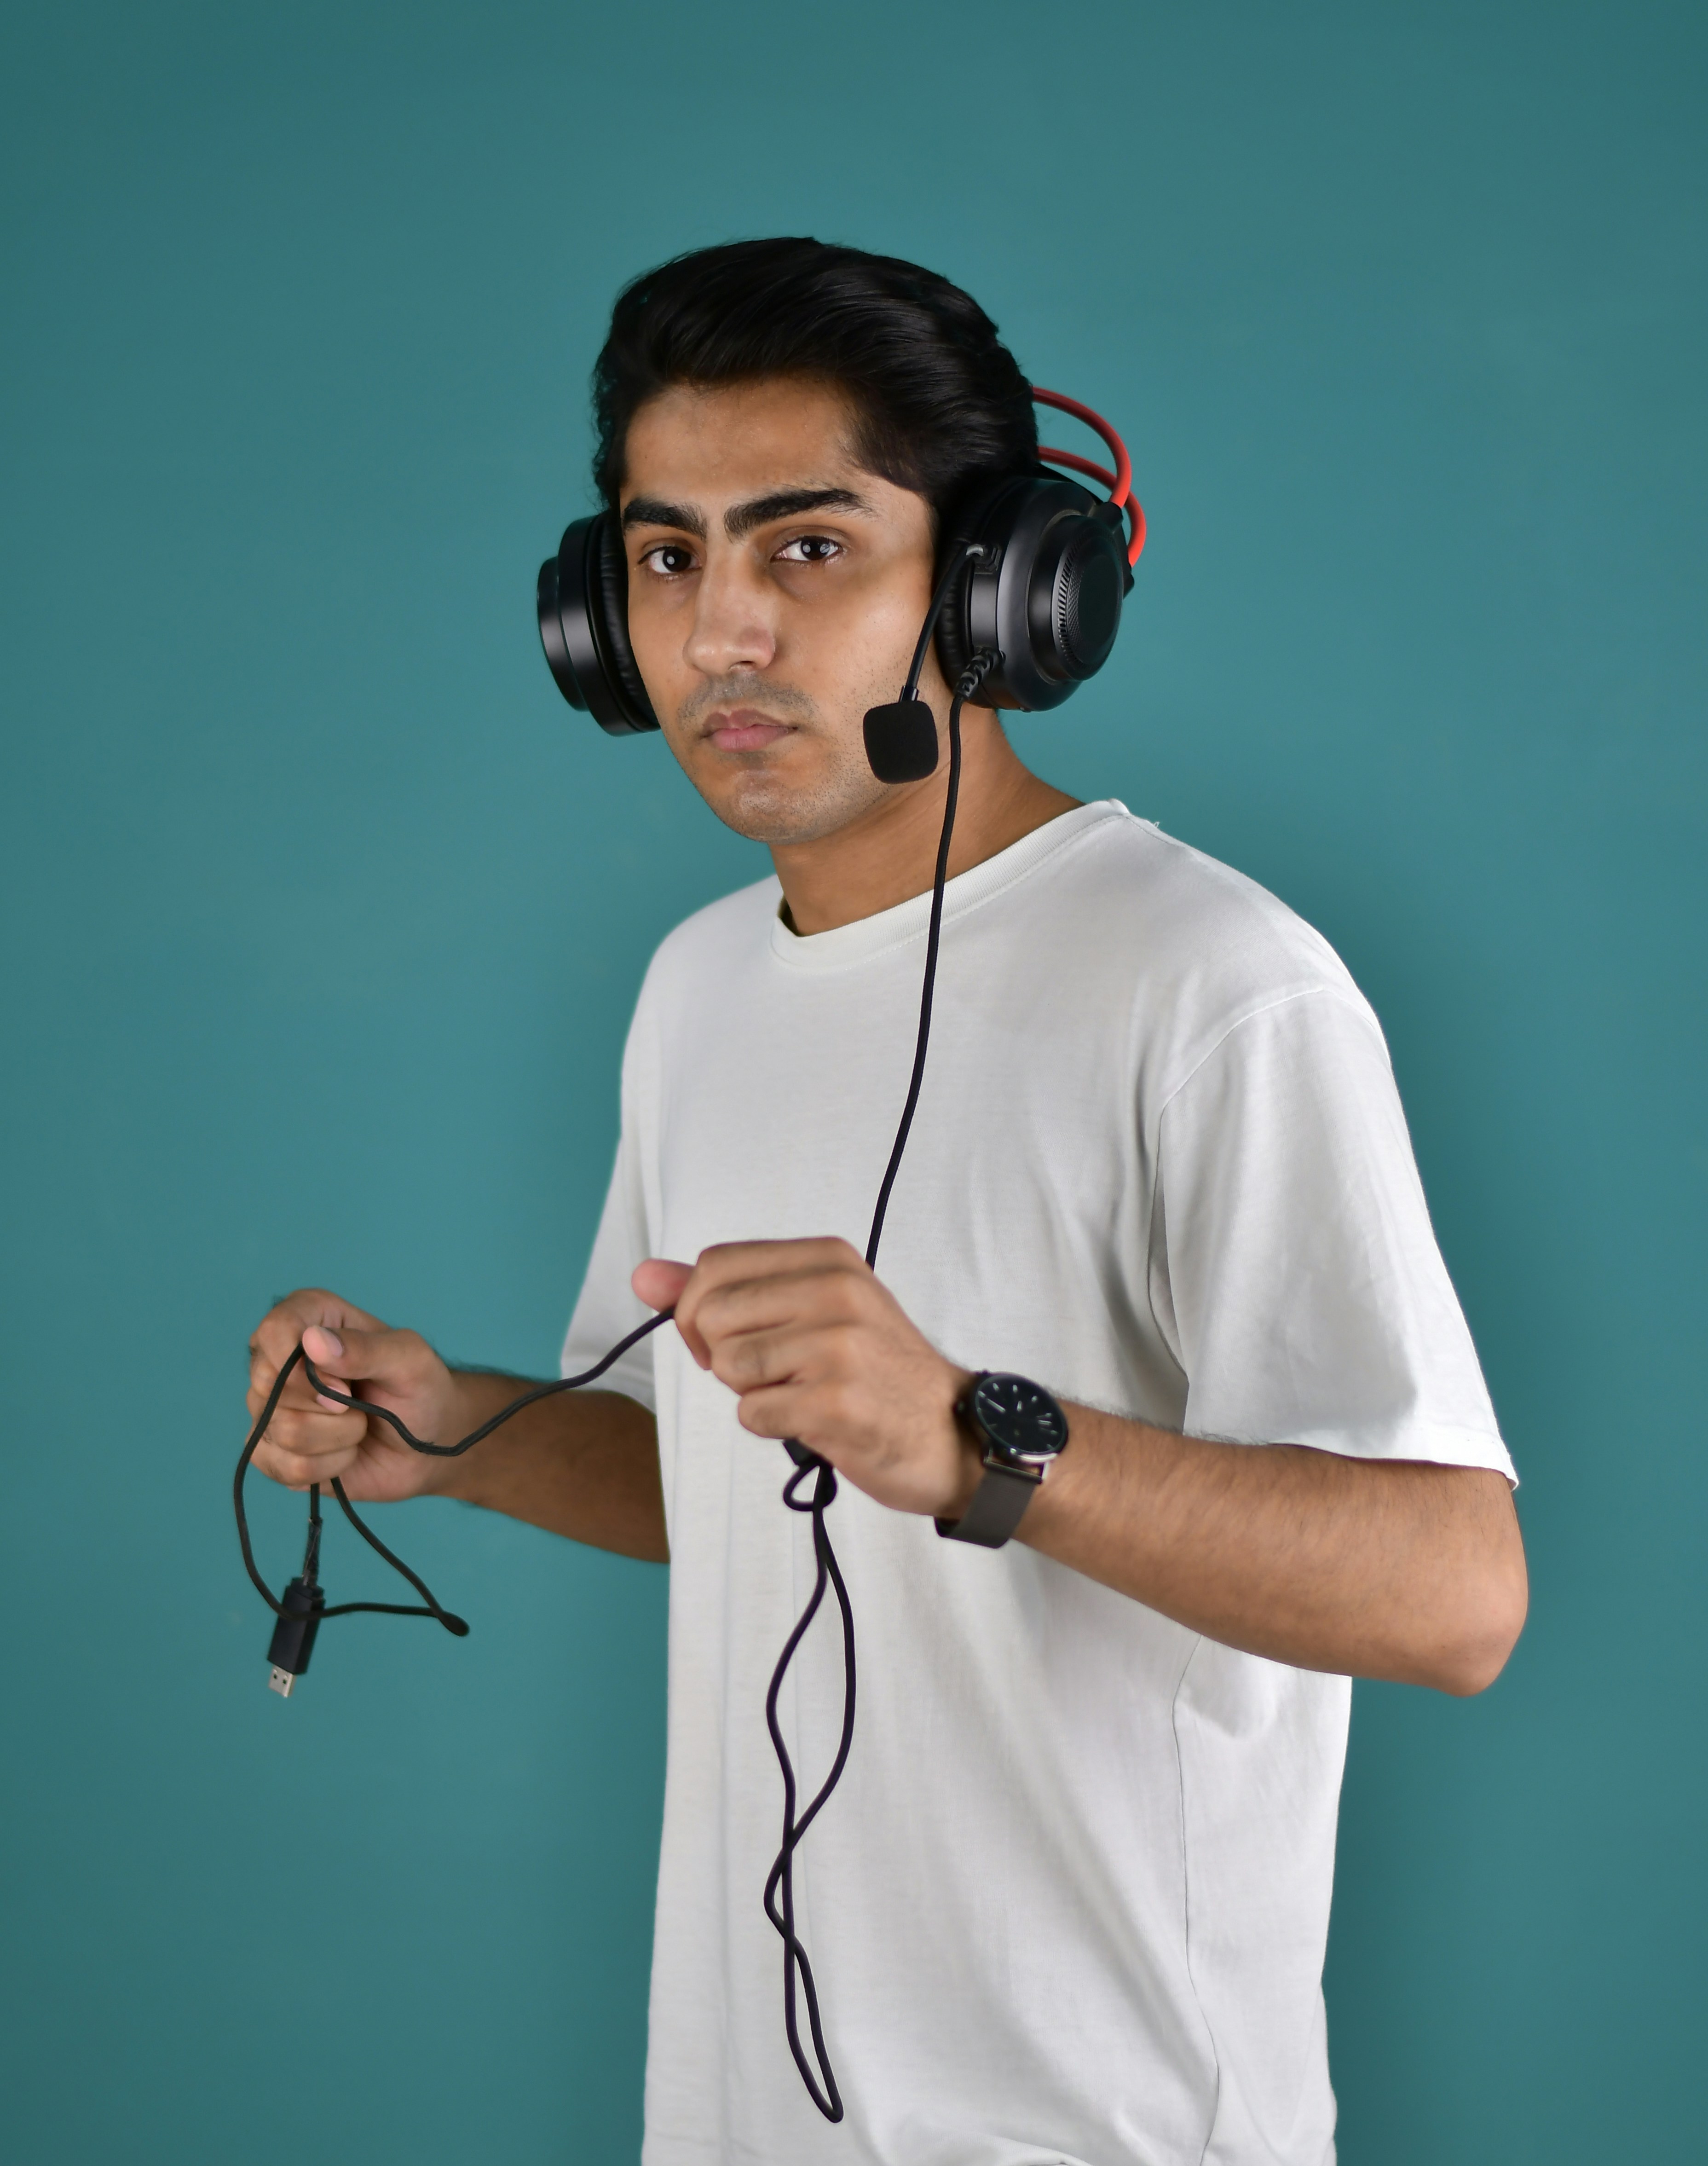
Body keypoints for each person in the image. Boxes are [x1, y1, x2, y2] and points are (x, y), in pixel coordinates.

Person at [245, 238, 1528, 2166]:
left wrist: (977, 1439)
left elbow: (1455, 1595)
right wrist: (459, 1436)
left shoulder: (1211, 984)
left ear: (1008, 591)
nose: (723, 634)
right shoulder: (697, 987)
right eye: (666, 558)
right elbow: (727, 1472)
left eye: (807, 547)